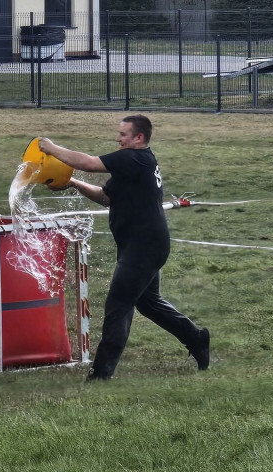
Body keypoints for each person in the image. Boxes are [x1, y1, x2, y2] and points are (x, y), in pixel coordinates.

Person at [39, 114, 210, 380]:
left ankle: (101, 375)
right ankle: (196, 338)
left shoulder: (134, 158)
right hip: (143, 244)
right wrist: (72, 183)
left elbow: (89, 163)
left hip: (144, 247)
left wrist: (51, 148)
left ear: (138, 138)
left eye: (123, 134)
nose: (118, 139)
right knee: (148, 303)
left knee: (118, 305)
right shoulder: (132, 165)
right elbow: (106, 197)